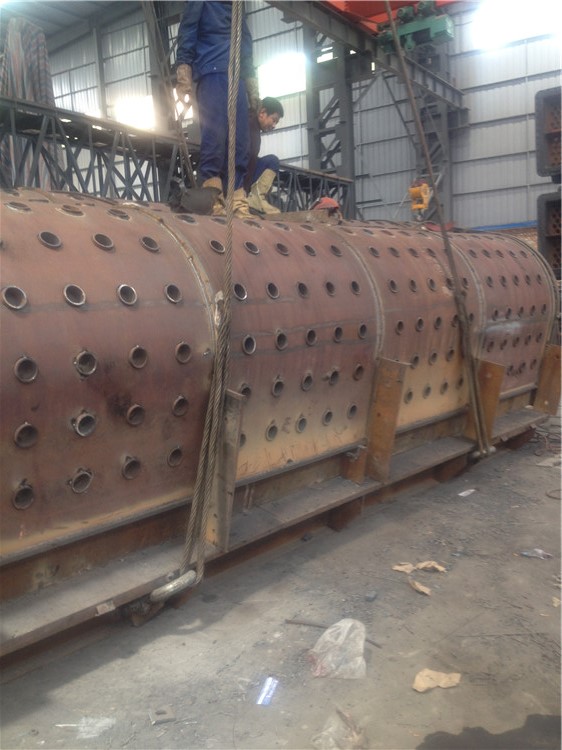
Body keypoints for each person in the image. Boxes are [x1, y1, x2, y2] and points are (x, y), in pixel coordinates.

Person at [174, 1, 259, 218]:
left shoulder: (237, 6)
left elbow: (246, 44)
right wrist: (184, 73)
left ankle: (237, 198)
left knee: (241, 143)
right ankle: (213, 197)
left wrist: (251, 83)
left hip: (237, 77)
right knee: (215, 139)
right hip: (212, 72)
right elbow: (187, 32)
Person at [245, 97, 284, 215]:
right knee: (272, 161)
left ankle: (256, 197)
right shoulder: (249, 126)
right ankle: (253, 198)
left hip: (244, 177)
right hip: (238, 180)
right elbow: (246, 159)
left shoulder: (254, 129)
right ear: (262, 113)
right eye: (274, 120)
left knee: (272, 160)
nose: (274, 125)